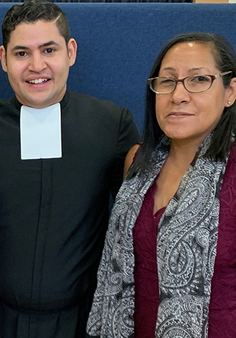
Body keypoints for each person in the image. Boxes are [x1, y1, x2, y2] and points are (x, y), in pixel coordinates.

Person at [0, 1, 139, 337]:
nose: (37, 65)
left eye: (49, 49)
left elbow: (139, 221)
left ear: (70, 51)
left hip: (83, 322)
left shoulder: (111, 125)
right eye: (22, 53)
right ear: (3, 59)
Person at [87, 32, 236, 338]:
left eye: (198, 80)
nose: (178, 95)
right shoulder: (138, 163)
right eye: (167, 81)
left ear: (230, 91)